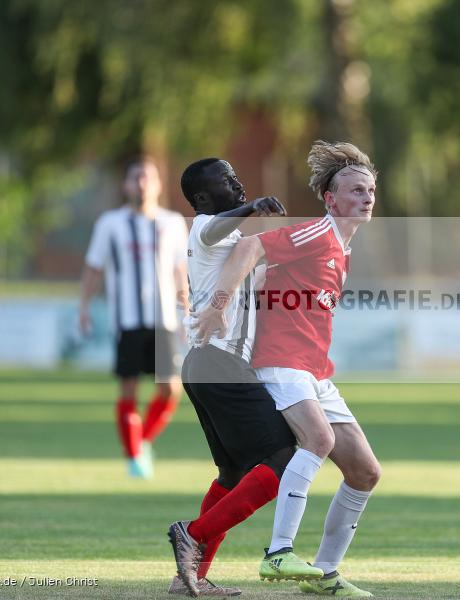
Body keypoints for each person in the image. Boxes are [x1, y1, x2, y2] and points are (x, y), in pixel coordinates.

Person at [194, 141, 382, 597]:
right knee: (318, 440)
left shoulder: (342, 250)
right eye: (355, 190)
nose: (367, 197)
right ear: (330, 199)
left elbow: (269, 281)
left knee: (365, 472)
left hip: (315, 371)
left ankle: (326, 575)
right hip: (281, 363)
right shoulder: (318, 234)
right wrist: (219, 304)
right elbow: (251, 248)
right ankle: (278, 553)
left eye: (371, 190)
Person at [166, 158, 300, 597]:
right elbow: (216, 227)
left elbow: (257, 280)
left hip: (205, 365)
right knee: (284, 458)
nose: (238, 182)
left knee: (232, 472)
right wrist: (252, 206)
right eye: (226, 180)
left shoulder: (229, 240)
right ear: (203, 198)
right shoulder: (204, 227)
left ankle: (192, 577)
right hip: (219, 365)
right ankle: (194, 534)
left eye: (236, 174)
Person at [79, 156, 188, 479]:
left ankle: (139, 443)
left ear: (157, 184)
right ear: (126, 185)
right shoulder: (110, 224)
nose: (141, 183)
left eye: (147, 177)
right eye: (135, 177)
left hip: (164, 318)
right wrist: (83, 307)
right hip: (125, 320)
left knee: (170, 390)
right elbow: (94, 268)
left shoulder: (172, 222)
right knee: (129, 390)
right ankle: (134, 458)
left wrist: (187, 309)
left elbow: (180, 270)